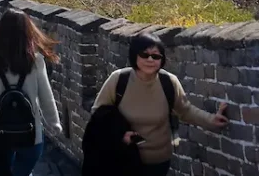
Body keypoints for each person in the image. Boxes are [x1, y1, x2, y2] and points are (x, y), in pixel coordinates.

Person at [88, 33, 228, 176]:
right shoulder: (119, 80)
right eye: (144, 54)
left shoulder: (168, 82)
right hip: (123, 158)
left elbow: (185, 111)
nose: (150, 60)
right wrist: (119, 135)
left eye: (156, 56)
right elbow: (98, 113)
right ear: (134, 55)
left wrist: (212, 120)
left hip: (159, 161)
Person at [0, 10, 62, 176]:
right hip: (32, 134)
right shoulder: (36, 61)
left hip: (1, 133)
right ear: (28, 32)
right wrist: (54, 124)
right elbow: (46, 97)